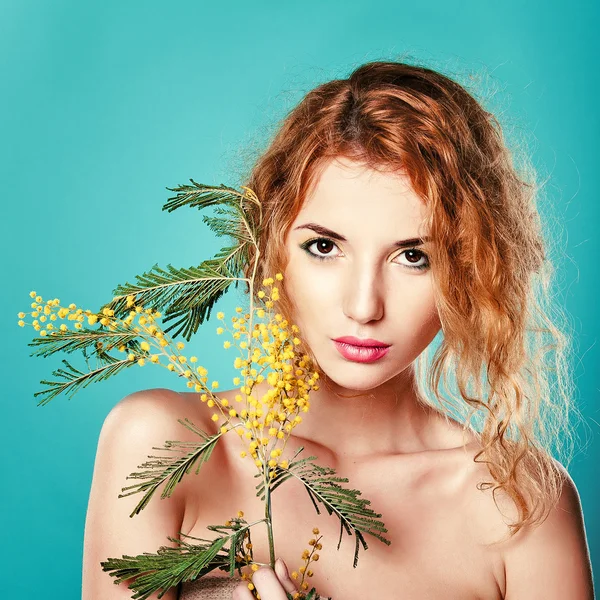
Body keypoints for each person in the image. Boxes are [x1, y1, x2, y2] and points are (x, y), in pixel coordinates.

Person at [82, 60, 595, 600]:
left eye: (413, 256)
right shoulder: (164, 444)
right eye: (324, 247)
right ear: (273, 244)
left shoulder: (519, 505)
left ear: (470, 270)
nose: (363, 305)